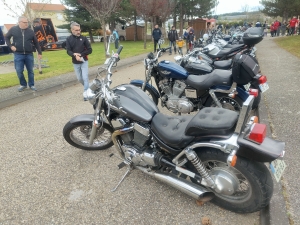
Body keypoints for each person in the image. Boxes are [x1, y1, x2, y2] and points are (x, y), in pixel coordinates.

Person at [5, 16, 42, 92]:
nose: (27, 24)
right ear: (20, 22)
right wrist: (11, 46)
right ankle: (23, 84)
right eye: (25, 22)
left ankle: (31, 85)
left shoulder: (30, 31)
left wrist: (39, 52)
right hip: (18, 54)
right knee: (19, 70)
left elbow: (36, 42)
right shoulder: (13, 29)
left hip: (29, 54)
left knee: (30, 71)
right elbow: (7, 38)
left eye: (27, 22)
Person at [66, 22, 92, 101]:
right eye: (76, 30)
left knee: (85, 77)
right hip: (75, 62)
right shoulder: (69, 39)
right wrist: (74, 55)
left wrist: (80, 55)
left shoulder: (84, 38)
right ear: (72, 30)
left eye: (79, 30)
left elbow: (90, 50)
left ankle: (86, 94)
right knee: (80, 79)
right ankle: (90, 87)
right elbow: (68, 51)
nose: (78, 32)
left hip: (84, 61)